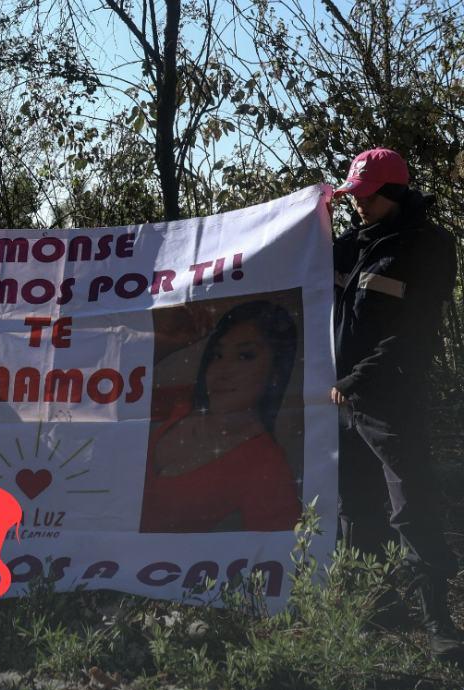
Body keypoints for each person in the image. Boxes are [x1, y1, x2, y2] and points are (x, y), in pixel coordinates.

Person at [330, 147, 462, 659]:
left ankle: (438, 623)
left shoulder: (427, 246)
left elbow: (414, 330)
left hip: (391, 397)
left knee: (413, 505)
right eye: (354, 195)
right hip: (342, 400)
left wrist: (358, 379)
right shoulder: (345, 246)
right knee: (355, 506)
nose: (357, 204)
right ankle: (378, 607)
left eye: (366, 196)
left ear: (394, 194)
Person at [140, 300, 302, 533]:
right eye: (217, 355)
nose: (222, 371)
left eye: (245, 356)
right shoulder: (186, 403)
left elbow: (278, 555)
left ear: (276, 372)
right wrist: (169, 345)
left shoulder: (267, 466)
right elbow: (113, 396)